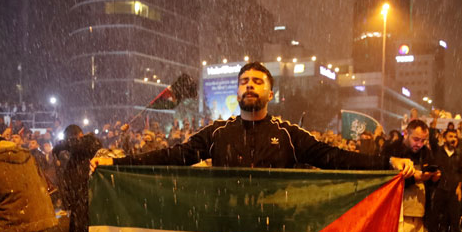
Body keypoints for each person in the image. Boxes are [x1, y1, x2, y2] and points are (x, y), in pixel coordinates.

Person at [92, 63, 413, 175]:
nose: (250, 86)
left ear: (270, 93)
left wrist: (387, 163)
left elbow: (335, 158)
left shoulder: (289, 135)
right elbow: (174, 156)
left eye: (258, 82)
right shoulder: (217, 133)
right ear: (237, 90)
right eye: (245, 81)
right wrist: (117, 165)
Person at [54, 125, 102, 232]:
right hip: (78, 200)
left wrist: (59, 146)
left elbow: (79, 145)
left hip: (87, 198)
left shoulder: (89, 142)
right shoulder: (75, 153)